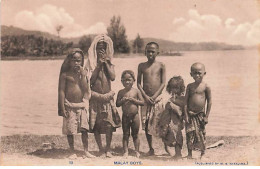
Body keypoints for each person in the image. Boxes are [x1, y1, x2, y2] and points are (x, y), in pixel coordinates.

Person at [85, 34, 120, 158]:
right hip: (95, 99)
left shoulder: (109, 63)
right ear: (95, 49)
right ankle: (100, 148)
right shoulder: (91, 64)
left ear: (107, 50)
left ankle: (108, 148)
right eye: (99, 48)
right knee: (96, 125)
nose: (101, 51)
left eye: (104, 48)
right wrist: (98, 66)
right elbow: (91, 81)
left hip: (107, 98)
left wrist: (105, 64)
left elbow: (113, 77)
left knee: (109, 124)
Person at [58, 48, 95, 158]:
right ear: (69, 61)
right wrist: (61, 107)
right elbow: (61, 91)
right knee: (70, 130)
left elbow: (85, 90)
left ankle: (86, 151)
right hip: (69, 105)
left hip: (81, 105)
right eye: (74, 60)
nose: (76, 63)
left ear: (82, 61)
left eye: (79, 60)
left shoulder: (82, 74)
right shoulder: (65, 75)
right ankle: (72, 151)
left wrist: (83, 76)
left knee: (84, 129)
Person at [137, 42, 166, 156]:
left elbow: (163, 83)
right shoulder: (141, 66)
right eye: (148, 51)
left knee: (160, 123)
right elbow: (139, 83)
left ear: (157, 52)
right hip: (145, 99)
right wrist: (145, 96)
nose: (150, 53)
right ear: (145, 52)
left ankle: (166, 147)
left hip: (157, 98)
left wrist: (154, 97)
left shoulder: (161, 65)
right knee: (146, 123)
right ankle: (151, 148)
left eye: (153, 51)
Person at [184, 62, 212, 159]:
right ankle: (189, 154)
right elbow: (185, 102)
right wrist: (186, 115)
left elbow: (209, 102)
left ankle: (203, 153)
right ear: (191, 74)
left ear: (204, 73)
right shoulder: (189, 86)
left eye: (199, 73)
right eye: (195, 73)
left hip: (200, 115)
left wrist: (206, 116)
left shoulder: (206, 86)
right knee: (189, 134)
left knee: (201, 133)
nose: (197, 75)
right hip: (190, 114)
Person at [116, 70, 144, 158]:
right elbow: (117, 104)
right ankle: (125, 152)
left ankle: (137, 151)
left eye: (129, 80)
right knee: (125, 134)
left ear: (133, 80)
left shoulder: (136, 91)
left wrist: (134, 100)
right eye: (125, 80)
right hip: (125, 116)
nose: (127, 82)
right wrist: (122, 100)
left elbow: (142, 102)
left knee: (135, 134)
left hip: (135, 116)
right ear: (121, 81)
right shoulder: (121, 92)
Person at [159, 76, 185, 160]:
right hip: (169, 121)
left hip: (177, 122)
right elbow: (167, 110)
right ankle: (168, 150)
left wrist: (172, 106)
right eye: (173, 88)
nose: (174, 90)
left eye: (177, 88)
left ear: (180, 88)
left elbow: (181, 110)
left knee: (178, 138)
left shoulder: (182, 98)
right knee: (166, 135)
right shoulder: (171, 98)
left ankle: (178, 154)